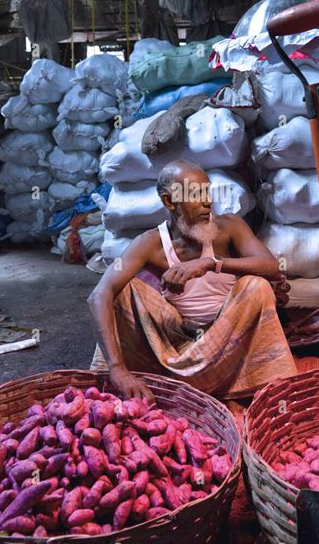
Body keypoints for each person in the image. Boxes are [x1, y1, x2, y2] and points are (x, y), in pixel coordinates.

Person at [88, 159, 297, 402]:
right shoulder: (150, 243)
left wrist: (211, 263)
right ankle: (134, 381)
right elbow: (98, 295)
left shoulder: (229, 227)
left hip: (229, 343)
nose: (207, 202)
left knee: (257, 286)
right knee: (122, 291)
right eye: (196, 194)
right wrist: (117, 369)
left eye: (207, 191)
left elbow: (273, 267)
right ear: (169, 201)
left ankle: (221, 385)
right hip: (178, 343)